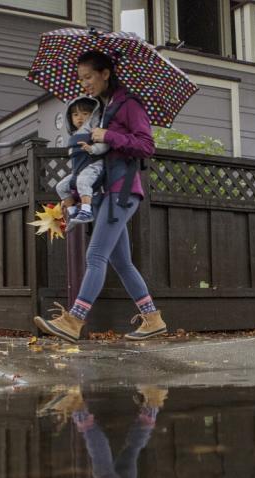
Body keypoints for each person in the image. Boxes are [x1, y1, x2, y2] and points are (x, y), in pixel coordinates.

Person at [34, 50, 165, 344]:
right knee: (121, 262)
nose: (84, 84)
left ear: (106, 73)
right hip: (108, 191)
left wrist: (109, 136)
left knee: (95, 256)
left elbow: (146, 146)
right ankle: (153, 318)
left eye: (89, 77)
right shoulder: (104, 108)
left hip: (123, 189)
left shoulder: (129, 104)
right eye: (81, 79)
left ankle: (74, 320)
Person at [55, 96, 109, 228]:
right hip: (78, 170)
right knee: (61, 187)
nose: (80, 118)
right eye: (75, 114)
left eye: (85, 114)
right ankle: (73, 212)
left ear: (93, 115)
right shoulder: (74, 136)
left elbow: (106, 145)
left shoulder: (94, 131)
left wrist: (92, 148)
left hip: (93, 165)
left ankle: (86, 211)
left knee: (82, 182)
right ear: (70, 118)